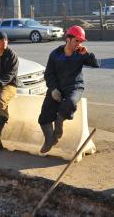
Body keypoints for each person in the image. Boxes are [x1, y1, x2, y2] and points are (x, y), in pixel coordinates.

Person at [38, 25, 100, 153]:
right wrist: (53, 89)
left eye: (80, 41)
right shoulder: (55, 54)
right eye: (76, 40)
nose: (79, 44)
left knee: (70, 102)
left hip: (74, 87)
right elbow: (49, 74)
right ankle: (50, 140)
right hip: (58, 88)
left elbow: (96, 64)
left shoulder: (81, 54)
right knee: (44, 116)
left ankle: (59, 123)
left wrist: (87, 54)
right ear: (68, 39)